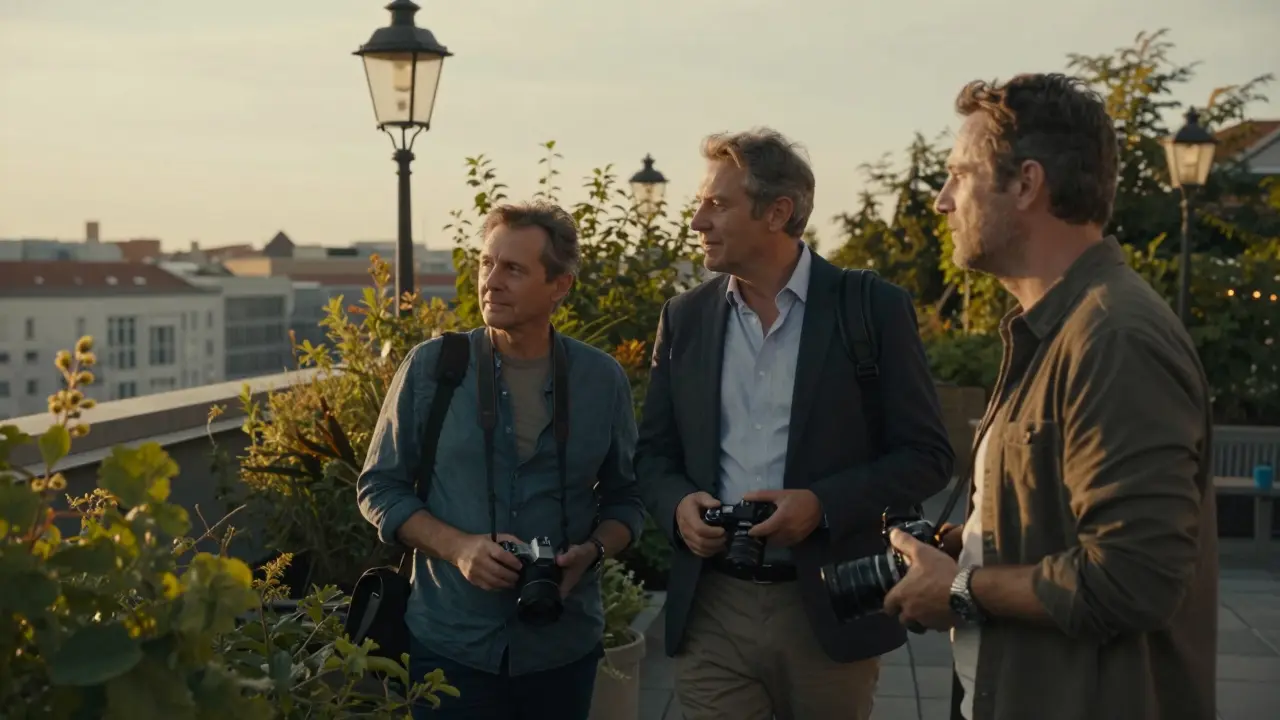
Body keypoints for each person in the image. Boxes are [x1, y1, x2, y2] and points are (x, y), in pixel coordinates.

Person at [882, 73, 1218, 720]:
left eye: (959, 175)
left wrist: (958, 589)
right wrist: (976, 544)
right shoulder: (1056, 330)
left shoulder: (1114, 337)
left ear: (1027, 183)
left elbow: (1133, 578)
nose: (942, 200)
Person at [635, 127, 955, 720]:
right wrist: (678, 505)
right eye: (700, 202)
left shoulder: (871, 307)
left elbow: (927, 455)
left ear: (778, 212)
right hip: (714, 606)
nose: (697, 219)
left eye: (718, 204)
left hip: (831, 607)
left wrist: (820, 504)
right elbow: (653, 455)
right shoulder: (684, 318)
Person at [356, 201, 647, 720]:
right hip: (450, 645)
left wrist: (593, 551)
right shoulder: (432, 367)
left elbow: (628, 498)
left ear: (559, 285)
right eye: (486, 263)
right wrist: (459, 548)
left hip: (562, 647)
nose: (491, 281)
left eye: (513, 268)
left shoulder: (601, 380)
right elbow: (379, 488)